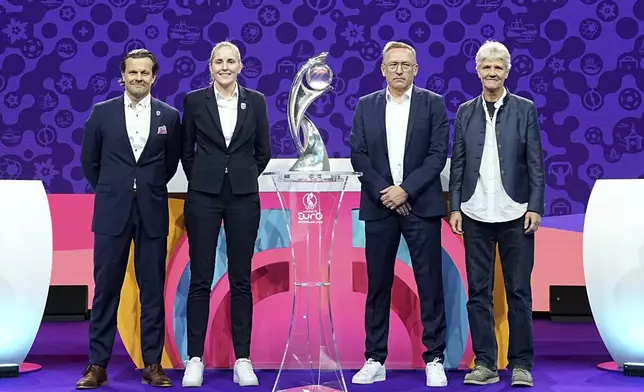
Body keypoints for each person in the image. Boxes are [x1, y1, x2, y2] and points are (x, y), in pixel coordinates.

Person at [78, 48, 182, 389]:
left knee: (152, 290)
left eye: (145, 73)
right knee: (106, 290)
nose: (139, 78)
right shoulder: (101, 113)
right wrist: (115, 189)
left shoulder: (169, 116)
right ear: (123, 76)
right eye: (132, 72)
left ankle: (152, 363)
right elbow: (90, 163)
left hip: (152, 212)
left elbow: (169, 165)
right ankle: (97, 365)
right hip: (111, 213)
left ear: (154, 77)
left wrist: (145, 187)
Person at [349, 41, 450, 388]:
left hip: (420, 206)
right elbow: (358, 155)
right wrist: (386, 192)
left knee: (429, 284)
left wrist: (405, 190)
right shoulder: (366, 106)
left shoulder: (432, 104)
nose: (399, 70)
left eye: (406, 65)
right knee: (378, 285)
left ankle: (434, 357)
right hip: (379, 207)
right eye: (393, 65)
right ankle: (374, 358)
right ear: (382, 69)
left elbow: (438, 156)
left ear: (416, 69)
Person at [448, 40, 545, 388]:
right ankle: (485, 362)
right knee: (479, 292)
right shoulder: (464, 112)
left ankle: (521, 364)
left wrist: (535, 206)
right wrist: (455, 206)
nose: (492, 72)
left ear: (507, 71)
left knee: (519, 291)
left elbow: (535, 162)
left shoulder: (524, 109)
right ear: (478, 71)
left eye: (498, 67)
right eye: (486, 67)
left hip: (516, 213)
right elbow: (457, 163)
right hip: (474, 213)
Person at [180, 41, 271, 388]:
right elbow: (186, 150)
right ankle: (195, 359)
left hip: (243, 197)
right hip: (203, 196)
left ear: (240, 66)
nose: (225, 66)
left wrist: (241, 176)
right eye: (219, 61)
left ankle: (242, 359)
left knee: (241, 280)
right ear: (210, 66)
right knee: (200, 279)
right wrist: (206, 177)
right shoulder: (194, 101)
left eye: (231, 61)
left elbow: (263, 150)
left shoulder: (256, 101)